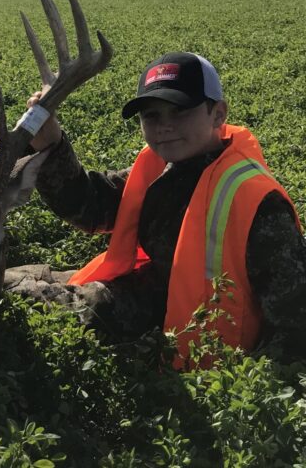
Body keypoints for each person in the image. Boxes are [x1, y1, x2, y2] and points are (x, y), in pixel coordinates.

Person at [25, 52, 306, 362]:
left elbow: (295, 323)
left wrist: (247, 395)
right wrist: (51, 144)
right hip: (146, 299)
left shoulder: (258, 204)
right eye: (152, 116)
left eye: (180, 111)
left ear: (218, 113)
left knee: (27, 300)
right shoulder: (163, 169)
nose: (164, 126)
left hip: (185, 340)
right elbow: (90, 206)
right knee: (14, 280)